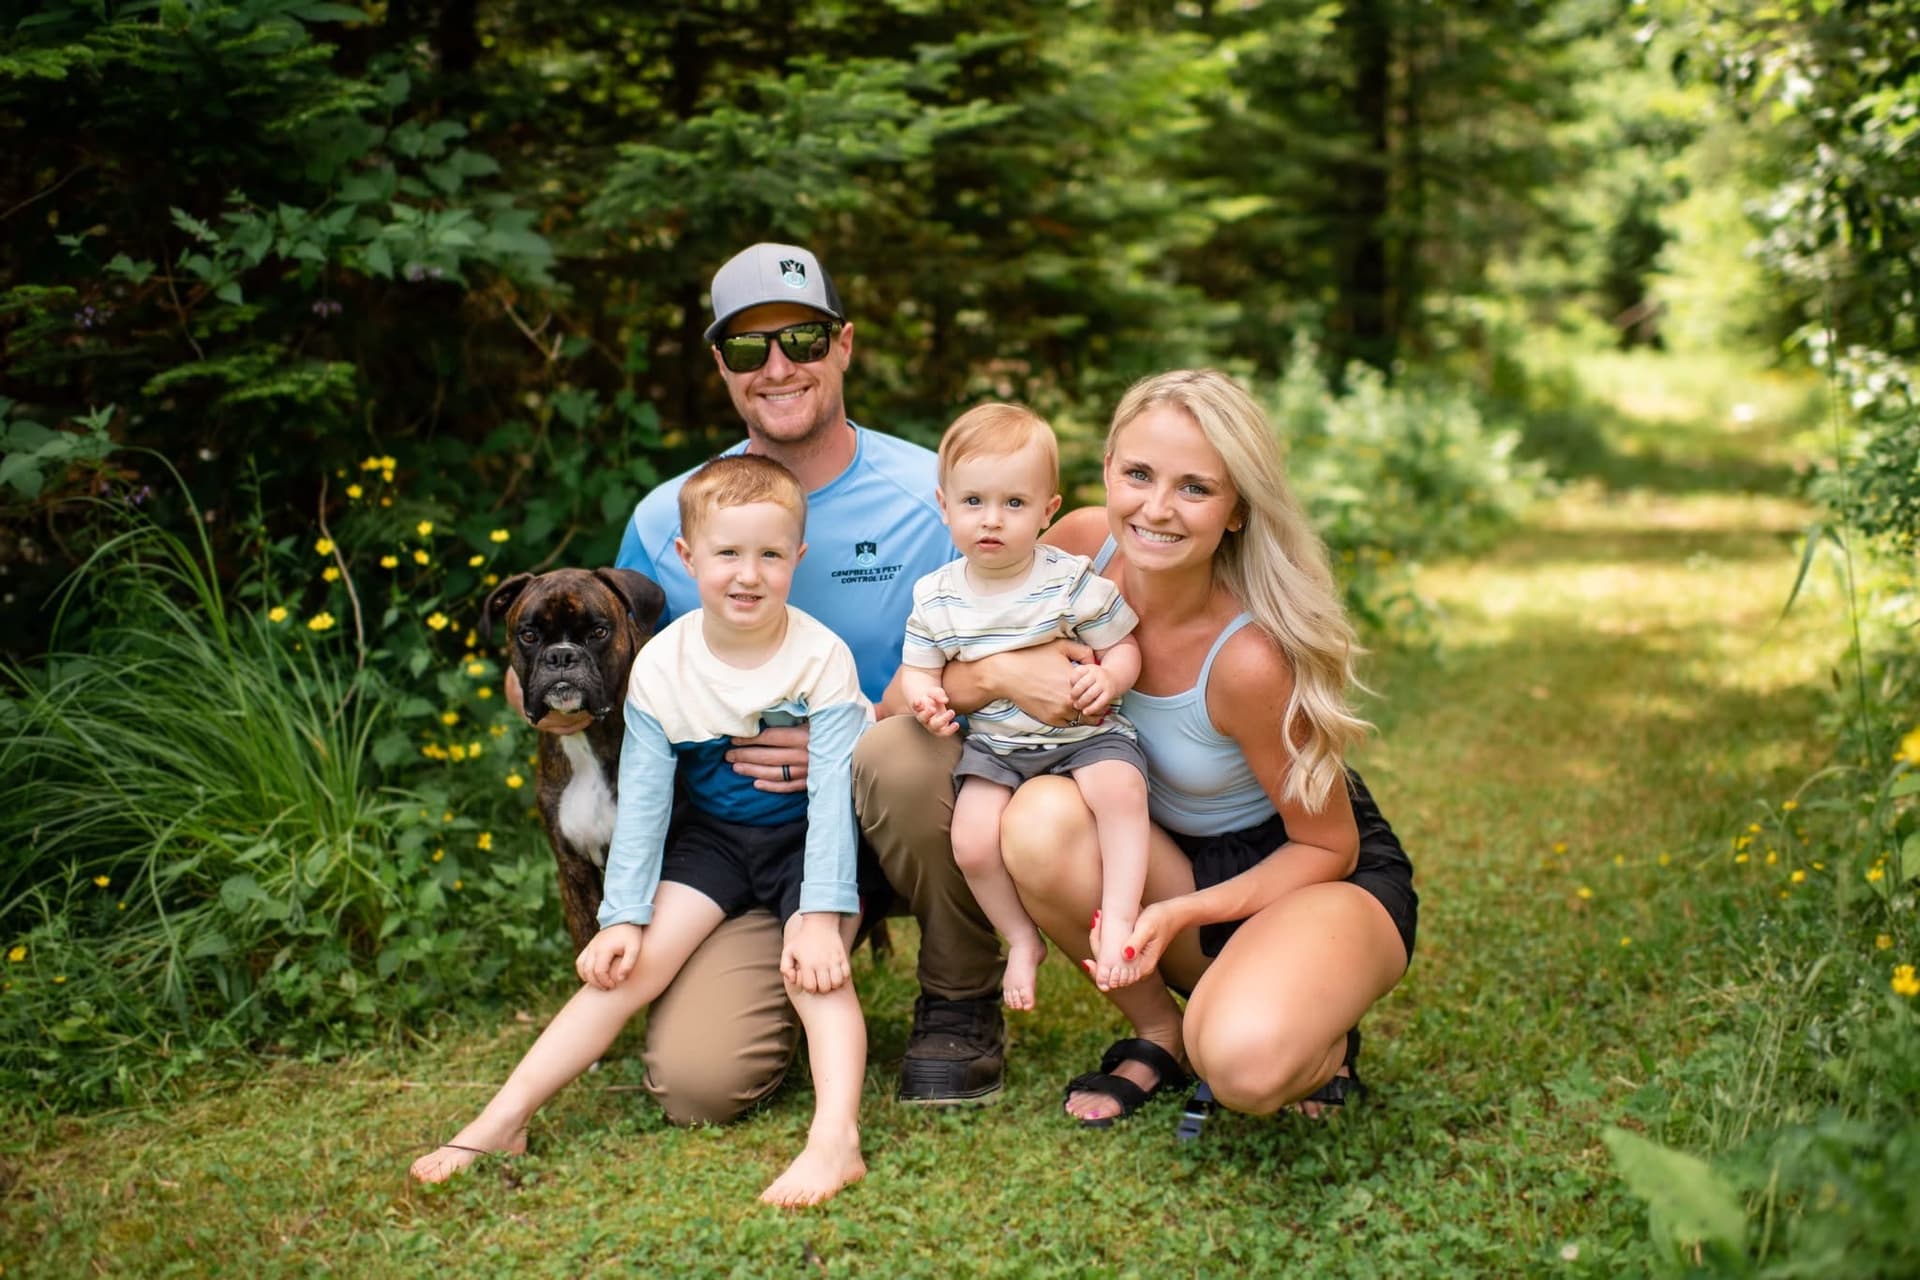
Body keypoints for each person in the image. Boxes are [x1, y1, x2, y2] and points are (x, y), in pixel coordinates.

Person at [515, 243, 1009, 1117]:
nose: (779, 367)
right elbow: (616, 668)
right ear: (721, 366)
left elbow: (1001, 642)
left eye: (803, 340)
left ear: (844, 345)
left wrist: (845, 736)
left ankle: (959, 1001)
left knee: (903, 757)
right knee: (697, 1085)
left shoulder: (931, 493)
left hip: (887, 797)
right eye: (748, 349)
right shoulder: (670, 513)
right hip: (737, 837)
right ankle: (760, 972)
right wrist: (544, 687)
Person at [856, 368, 1416, 1131]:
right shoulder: (1079, 549)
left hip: (1301, 878)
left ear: (1237, 511)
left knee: (1245, 1066)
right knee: (1039, 817)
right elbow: (901, 703)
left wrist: (1185, 911)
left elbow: (1329, 845)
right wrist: (996, 673)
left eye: (1194, 488)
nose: (1155, 509)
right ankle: (1159, 1033)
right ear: (1108, 470)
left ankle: (1313, 1034)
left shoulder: (1249, 658)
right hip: (1158, 847)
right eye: (1139, 474)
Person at [414, 455, 873, 1205]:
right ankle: (502, 1118)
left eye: (770, 554)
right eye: (727, 553)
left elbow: (829, 802)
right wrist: (623, 914)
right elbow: (647, 804)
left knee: (815, 972)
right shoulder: (662, 665)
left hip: (802, 844)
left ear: (800, 558)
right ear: (689, 560)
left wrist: (820, 912)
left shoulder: (821, 657)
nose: (748, 574)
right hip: (717, 842)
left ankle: (835, 1142)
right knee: (623, 968)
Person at [899, 403, 1151, 1010]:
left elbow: (1123, 645)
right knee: (972, 841)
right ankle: (1019, 938)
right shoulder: (937, 597)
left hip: (1085, 736)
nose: (992, 520)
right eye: (973, 502)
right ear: (944, 504)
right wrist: (926, 699)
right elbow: (918, 668)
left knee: (1121, 790)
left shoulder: (1070, 578)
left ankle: (1118, 917)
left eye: (1014, 504)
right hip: (998, 747)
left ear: (1048, 511)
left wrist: (1111, 679)